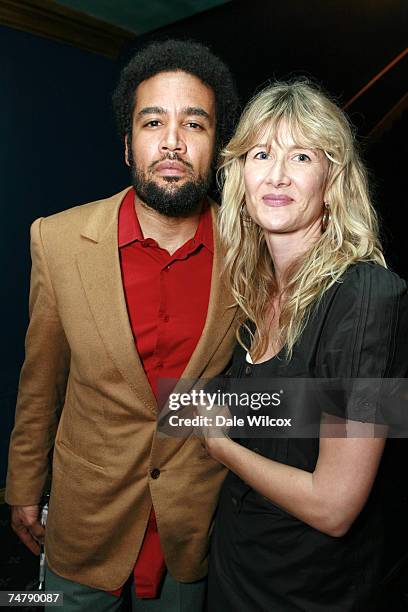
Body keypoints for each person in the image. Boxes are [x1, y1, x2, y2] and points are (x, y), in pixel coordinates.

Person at [5, 39, 239, 611]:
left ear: (219, 147)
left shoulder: (254, 252)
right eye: (152, 121)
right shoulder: (57, 239)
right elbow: (41, 381)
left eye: (195, 124)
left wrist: (362, 413)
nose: (173, 142)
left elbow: (258, 389)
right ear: (128, 146)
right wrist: (22, 489)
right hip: (84, 520)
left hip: (192, 531)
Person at [199, 80, 408, 611]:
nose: (276, 175)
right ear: (239, 174)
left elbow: (335, 505)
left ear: (331, 178)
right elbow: (278, 416)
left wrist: (221, 445)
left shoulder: (369, 299)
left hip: (306, 595)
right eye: (261, 154)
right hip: (232, 574)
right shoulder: (250, 292)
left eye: (301, 156)